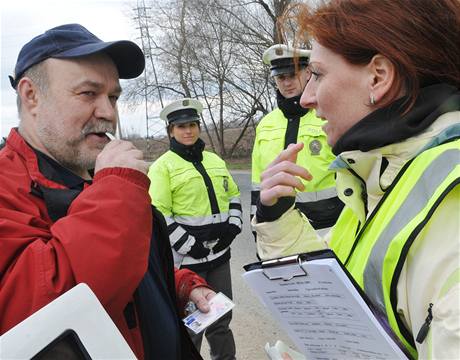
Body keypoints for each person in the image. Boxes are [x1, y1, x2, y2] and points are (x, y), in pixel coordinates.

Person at [253, 0, 460, 358]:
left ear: (378, 77)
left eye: (317, 74)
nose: (306, 98)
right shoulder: (380, 173)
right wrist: (277, 219)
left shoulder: (448, 203)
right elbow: (342, 290)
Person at [0, 24, 215, 360]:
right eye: (88, 94)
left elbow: (125, 266)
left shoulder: (87, 170)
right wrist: (117, 189)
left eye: (113, 97)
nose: (108, 113)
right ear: (31, 96)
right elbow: (42, 317)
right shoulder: (6, 187)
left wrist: (180, 286)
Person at [148, 98, 242, 360]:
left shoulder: (215, 160)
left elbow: (233, 195)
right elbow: (160, 214)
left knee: (221, 319)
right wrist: (190, 245)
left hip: (219, 257)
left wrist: (233, 227)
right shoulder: (162, 167)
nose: (187, 131)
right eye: (180, 127)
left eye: (192, 125)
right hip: (189, 261)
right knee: (194, 325)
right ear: (171, 131)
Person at [251, 44, 343, 238]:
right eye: (280, 77)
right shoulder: (265, 124)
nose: (286, 83)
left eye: (292, 75)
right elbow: (258, 182)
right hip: (281, 229)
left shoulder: (325, 114)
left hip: (329, 228)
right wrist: (259, 231)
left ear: (307, 72)